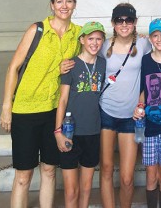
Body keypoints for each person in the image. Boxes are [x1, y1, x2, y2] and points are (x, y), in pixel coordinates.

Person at [0, 0, 82, 208]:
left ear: (74, 4)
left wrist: (138, 40)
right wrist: (7, 106)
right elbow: (13, 67)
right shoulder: (37, 30)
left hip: (54, 110)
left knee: (49, 170)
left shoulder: (77, 35)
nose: (64, 6)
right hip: (25, 110)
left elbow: (99, 46)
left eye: (68, 1)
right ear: (52, 5)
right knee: (24, 175)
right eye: (59, 1)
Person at [99, 3, 152, 208]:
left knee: (127, 177)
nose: (124, 24)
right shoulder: (104, 46)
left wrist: (142, 101)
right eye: (119, 20)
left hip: (131, 117)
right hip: (106, 113)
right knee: (106, 169)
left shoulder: (144, 45)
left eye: (128, 20)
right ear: (113, 23)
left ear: (135, 22)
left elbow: (152, 71)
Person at [55, 21, 107, 208]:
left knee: (86, 188)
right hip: (70, 131)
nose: (94, 43)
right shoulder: (71, 64)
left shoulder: (103, 63)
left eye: (99, 39)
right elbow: (62, 100)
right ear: (82, 40)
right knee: (71, 190)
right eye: (90, 38)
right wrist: (58, 131)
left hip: (92, 131)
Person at [133, 18, 161, 208]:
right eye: (155, 35)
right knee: (151, 175)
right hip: (149, 126)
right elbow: (143, 89)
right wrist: (139, 107)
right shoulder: (145, 60)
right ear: (150, 38)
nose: (159, 39)